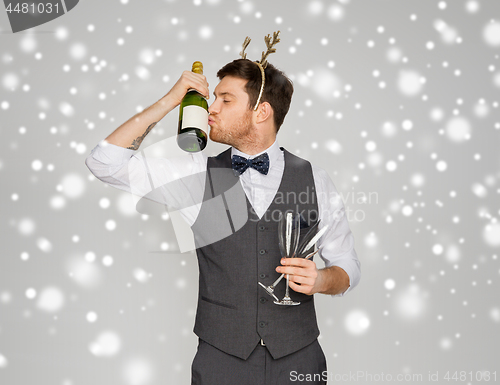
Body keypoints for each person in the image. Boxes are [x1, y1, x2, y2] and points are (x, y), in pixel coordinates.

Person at [86, 32, 360, 385]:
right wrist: (170, 101)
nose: (210, 108)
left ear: (261, 112)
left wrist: (322, 279)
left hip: (300, 359)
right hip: (221, 361)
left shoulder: (315, 179)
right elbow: (104, 163)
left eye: (225, 99)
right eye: (213, 98)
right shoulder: (194, 174)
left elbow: (348, 266)